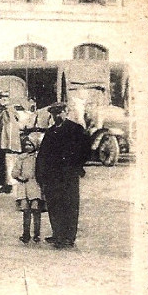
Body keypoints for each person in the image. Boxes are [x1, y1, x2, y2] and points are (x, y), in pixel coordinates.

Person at [36, 102, 89, 249]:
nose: (57, 116)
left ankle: (69, 237)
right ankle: (57, 234)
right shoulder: (50, 131)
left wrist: (76, 165)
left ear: (66, 112)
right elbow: (43, 154)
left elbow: (85, 150)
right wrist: (40, 173)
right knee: (54, 204)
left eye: (60, 112)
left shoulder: (75, 129)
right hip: (52, 175)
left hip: (68, 175)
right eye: (54, 113)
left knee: (70, 205)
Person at [13, 135, 45, 244]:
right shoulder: (21, 158)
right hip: (24, 187)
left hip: (36, 187)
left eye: (30, 144)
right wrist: (20, 177)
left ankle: (37, 234)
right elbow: (15, 172)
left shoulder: (39, 158)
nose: (28, 147)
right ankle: (26, 234)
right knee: (26, 212)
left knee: (36, 211)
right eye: (26, 144)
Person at [0, 91, 22, 194]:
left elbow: (9, 128)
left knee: (8, 163)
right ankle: (5, 185)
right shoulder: (4, 110)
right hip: (2, 142)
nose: (0, 101)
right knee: (3, 164)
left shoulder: (8, 111)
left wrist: (8, 143)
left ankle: (9, 185)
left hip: (6, 143)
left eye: (3, 98)